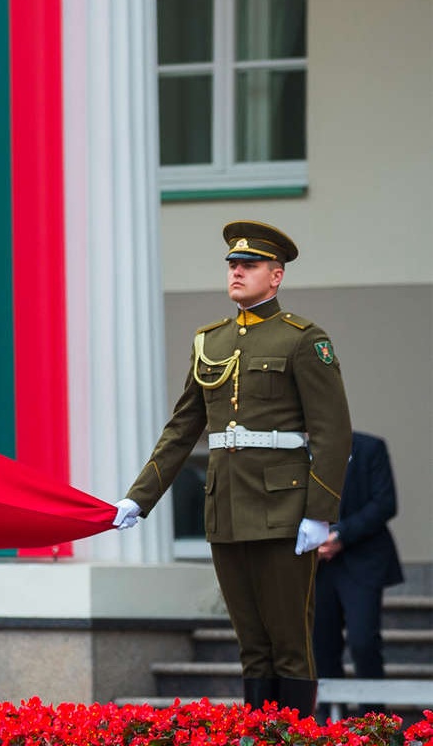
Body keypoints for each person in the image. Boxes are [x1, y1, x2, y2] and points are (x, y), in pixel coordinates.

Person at [113, 220, 351, 718]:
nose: (237, 272)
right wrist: (139, 497)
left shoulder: (305, 339)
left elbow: (332, 432)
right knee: (250, 641)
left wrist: (320, 513)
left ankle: (293, 733)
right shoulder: (210, 341)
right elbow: (182, 429)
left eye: (249, 265)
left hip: (285, 508)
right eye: (232, 265)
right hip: (226, 508)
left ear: (276, 276)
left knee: (289, 639)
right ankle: (260, 732)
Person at [313, 431, 403, 713]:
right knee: (321, 647)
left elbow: (385, 502)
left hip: (362, 560)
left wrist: (340, 535)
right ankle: (328, 726)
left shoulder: (369, 447)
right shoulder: (297, 451)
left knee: (363, 642)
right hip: (315, 565)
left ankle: (373, 723)